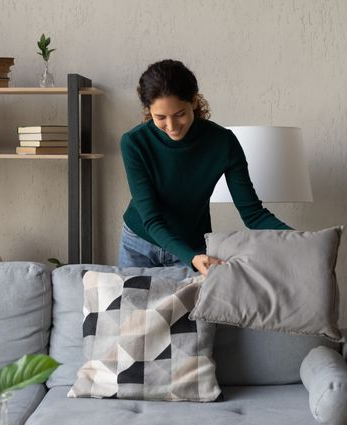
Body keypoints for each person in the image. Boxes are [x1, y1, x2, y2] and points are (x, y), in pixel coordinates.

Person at [118, 59, 292, 276]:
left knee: (192, 311)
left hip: (192, 247)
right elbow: (152, 220)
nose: (171, 126)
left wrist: (301, 240)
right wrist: (191, 257)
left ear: (193, 101)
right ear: (148, 110)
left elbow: (253, 214)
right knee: (131, 311)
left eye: (179, 114)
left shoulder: (223, 142)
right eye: (160, 117)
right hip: (138, 243)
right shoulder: (134, 143)